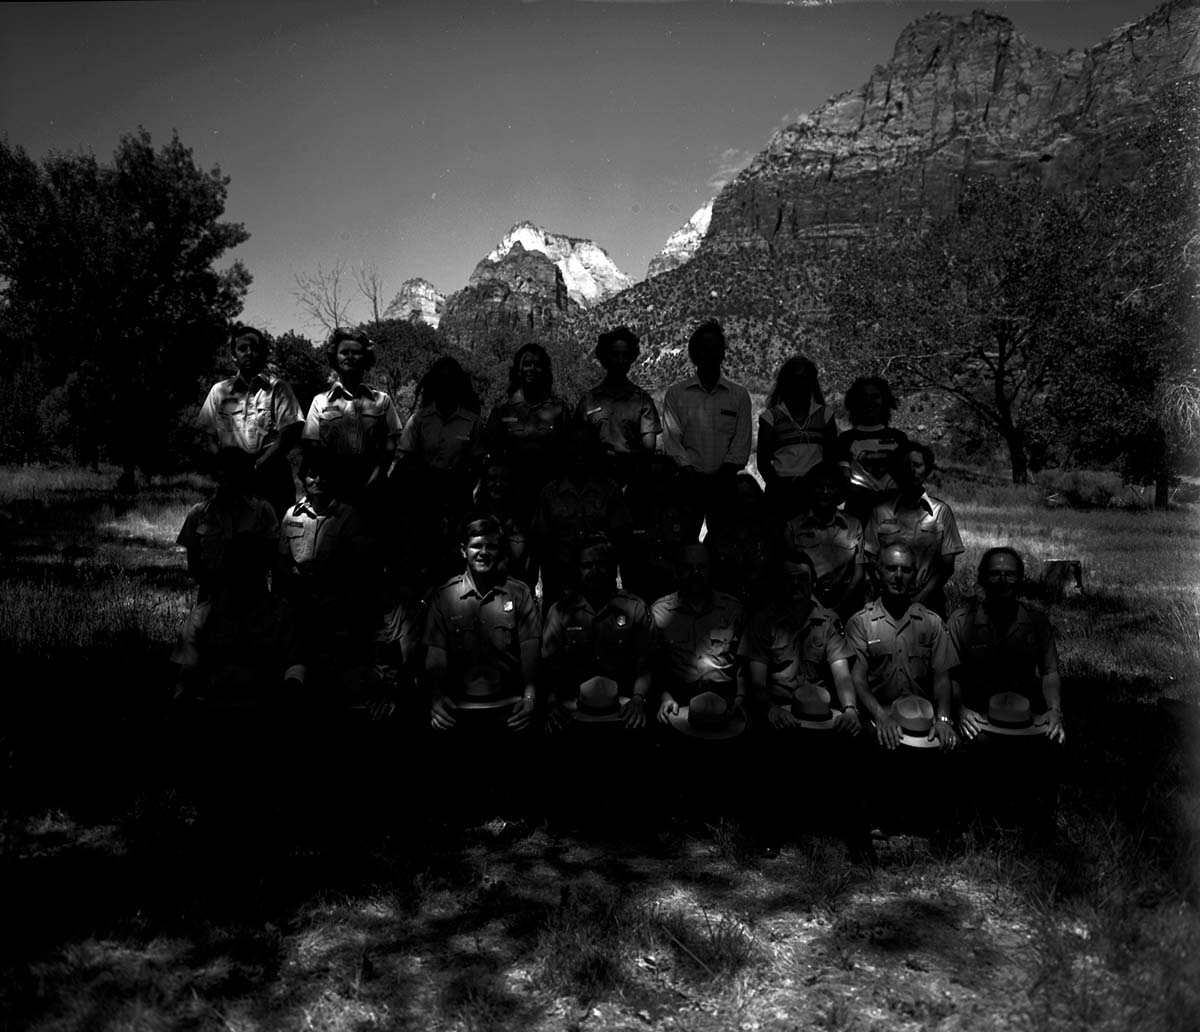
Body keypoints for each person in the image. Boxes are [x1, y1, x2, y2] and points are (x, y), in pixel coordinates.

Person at [738, 549, 869, 857]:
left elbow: (843, 677)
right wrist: (768, 708)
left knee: (857, 738)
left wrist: (850, 709)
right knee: (764, 742)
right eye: (789, 579)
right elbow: (756, 681)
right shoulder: (763, 621)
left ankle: (858, 836)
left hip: (821, 713)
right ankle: (768, 831)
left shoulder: (828, 621)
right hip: (778, 709)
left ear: (813, 584)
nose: (796, 585)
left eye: (803, 579)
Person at [948, 547, 1065, 836]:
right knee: (976, 747)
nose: (1002, 581)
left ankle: (1040, 824)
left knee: (1053, 741)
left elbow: (1050, 672)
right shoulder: (963, 621)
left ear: (1020, 580)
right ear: (982, 579)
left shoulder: (1036, 622)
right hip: (977, 714)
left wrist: (1055, 711)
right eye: (995, 574)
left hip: (1024, 716)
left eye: (1010, 574)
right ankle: (976, 822)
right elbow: (949, 675)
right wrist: (960, 710)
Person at [846, 542, 959, 836]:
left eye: (906, 570)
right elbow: (857, 679)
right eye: (891, 568)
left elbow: (942, 679)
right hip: (877, 711)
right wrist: (880, 716)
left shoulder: (932, 623)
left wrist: (944, 720)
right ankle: (869, 820)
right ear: (877, 573)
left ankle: (939, 821)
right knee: (866, 739)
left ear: (915, 576)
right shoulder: (861, 623)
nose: (898, 576)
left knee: (950, 744)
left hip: (920, 715)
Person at [171, 447, 300, 703]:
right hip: (214, 600)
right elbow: (194, 565)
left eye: (235, 473)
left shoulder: (263, 511)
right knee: (209, 660)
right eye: (224, 473)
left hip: (255, 599)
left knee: (256, 660)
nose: (228, 479)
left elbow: (269, 559)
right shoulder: (199, 514)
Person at [196, 323, 303, 521]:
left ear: (263, 354)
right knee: (234, 538)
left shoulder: (279, 389)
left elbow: (289, 433)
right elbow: (208, 434)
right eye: (242, 348)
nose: (249, 353)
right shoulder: (219, 391)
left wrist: (259, 464)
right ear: (233, 355)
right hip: (232, 476)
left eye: (254, 348)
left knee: (274, 538)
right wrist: (222, 467)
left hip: (272, 474)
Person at [660, 320, 752, 540]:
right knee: (685, 543)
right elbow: (672, 442)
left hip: (725, 487)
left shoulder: (738, 396)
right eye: (703, 349)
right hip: (687, 485)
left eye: (714, 348)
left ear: (723, 353)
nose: (709, 354)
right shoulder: (676, 394)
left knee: (723, 544)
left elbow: (741, 443)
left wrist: (723, 476)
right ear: (693, 355)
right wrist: (690, 473)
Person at [396, 356, 484, 583]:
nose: (446, 384)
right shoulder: (419, 420)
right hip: (423, 497)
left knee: (454, 560)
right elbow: (405, 461)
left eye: (451, 380)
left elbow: (476, 464)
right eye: (441, 380)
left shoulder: (472, 422)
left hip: (458, 497)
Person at [530, 428, 632, 604]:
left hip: (600, 579)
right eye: (573, 448)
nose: (579, 455)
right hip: (560, 581)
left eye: (585, 448)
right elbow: (539, 542)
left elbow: (622, 540)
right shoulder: (550, 493)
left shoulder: (609, 491)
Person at [302, 328, 402, 504]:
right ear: (335, 357)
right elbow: (312, 449)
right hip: (333, 491)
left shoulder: (382, 400)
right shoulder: (320, 402)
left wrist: (371, 486)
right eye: (344, 352)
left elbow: (390, 449)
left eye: (356, 353)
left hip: (374, 491)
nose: (349, 357)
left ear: (365, 358)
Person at [864, 442, 964, 618]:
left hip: (930, 605)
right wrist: (888, 593)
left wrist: (919, 600)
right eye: (905, 466)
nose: (912, 471)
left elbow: (947, 567)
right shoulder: (880, 512)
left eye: (917, 465)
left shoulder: (942, 513)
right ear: (896, 471)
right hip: (887, 603)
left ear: (927, 470)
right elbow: (870, 560)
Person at [483, 343, 571, 523]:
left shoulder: (560, 410)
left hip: (550, 494)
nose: (532, 369)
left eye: (537, 364)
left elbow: (568, 453)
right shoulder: (502, 411)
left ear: (545, 370)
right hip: (512, 496)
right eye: (527, 364)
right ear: (518, 370)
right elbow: (491, 457)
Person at [574, 326, 661, 487]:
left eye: (625, 355)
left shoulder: (642, 401)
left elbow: (648, 452)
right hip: (596, 483)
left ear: (632, 359)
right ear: (605, 358)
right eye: (615, 355)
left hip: (632, 483)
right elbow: (578, 447)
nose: (620, 361)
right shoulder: (588, 401)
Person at [756, 355, 837, 525]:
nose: (800, 384)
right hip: (781, 490)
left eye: (805, 379)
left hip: (815, 491)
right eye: (795, 379)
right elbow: (763, 462)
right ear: (785, 382)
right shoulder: (771, 417)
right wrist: (782, 488)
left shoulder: (825, 416)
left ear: (812, 383)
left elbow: (831, 458)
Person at [783, 461, 866, 621]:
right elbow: (789, 573)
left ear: (839, 490)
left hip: (844, 608)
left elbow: (858, 575)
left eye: (831, 487)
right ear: (811, 489)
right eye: (820, 486)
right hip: (804, 607)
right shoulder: (793, 526)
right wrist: (816, 608)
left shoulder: (854, 525)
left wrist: (838, 609)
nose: (825, 492)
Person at [837, 376, 909, 524]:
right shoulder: (846, 439)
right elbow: (843, 480)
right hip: (858, 513)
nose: (869, 401)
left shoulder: (899, 438)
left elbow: (907, 478)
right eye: (864, 397)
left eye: (875, 396)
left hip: (893, 513)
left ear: (885, 401)